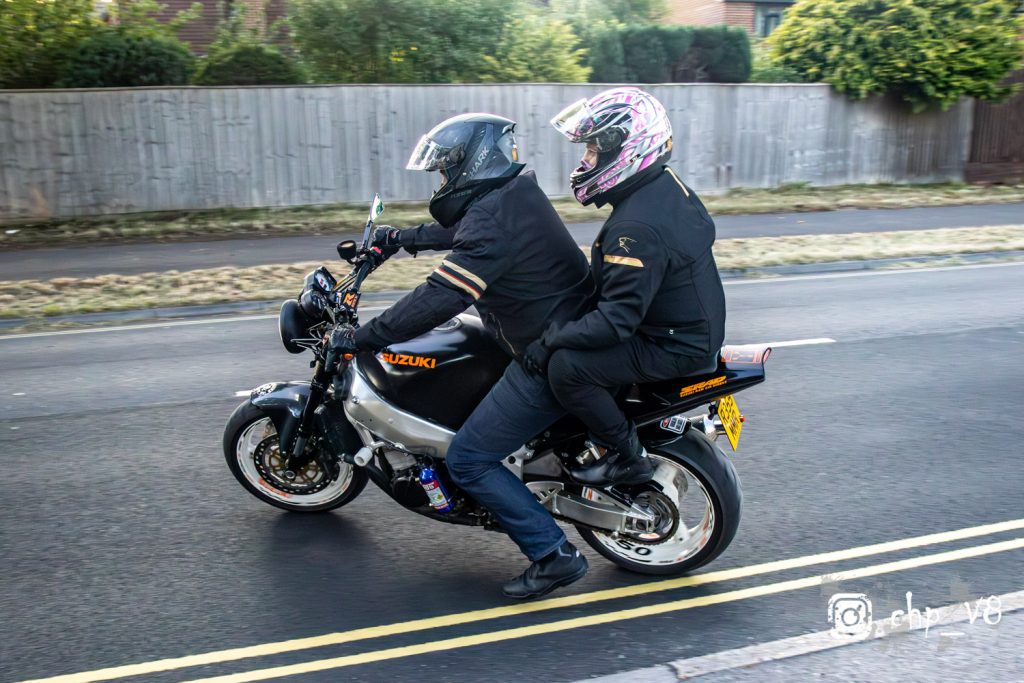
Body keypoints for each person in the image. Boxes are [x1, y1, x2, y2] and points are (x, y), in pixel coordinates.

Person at [329, 113, 593, 599]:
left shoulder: (493, 217)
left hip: (547, 354)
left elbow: (440, 297)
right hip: (554, 329)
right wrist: (398, 240)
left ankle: (552, 554)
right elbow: (466, 230)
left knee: (470, 457)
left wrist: (365, 337)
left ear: (474, 165)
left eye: (448, 171)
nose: (445, 181)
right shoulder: (513, 195)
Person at [523, 87, 727, 487]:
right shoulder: (665, 186)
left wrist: (549, 340)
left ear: (628, 150)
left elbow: (614, 323)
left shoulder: (634, 229)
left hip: (674, 346)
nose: (585, 161)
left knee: (568, 369)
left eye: (594, 151)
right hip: (690, 327)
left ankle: (627, 457)